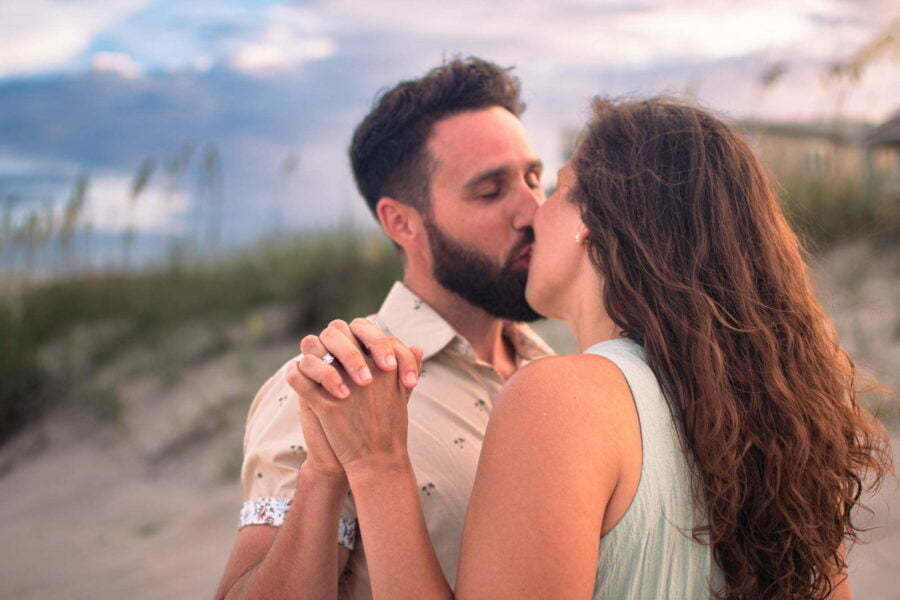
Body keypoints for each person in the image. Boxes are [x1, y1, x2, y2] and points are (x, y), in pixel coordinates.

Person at [289, 98, 893, 599]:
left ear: (592, 220)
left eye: (552, 188)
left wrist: (377, 465)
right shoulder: (783, 416)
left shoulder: (563, 397)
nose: (531, 214)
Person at [215, 57, 554, 600]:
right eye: (491, 191)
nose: (533, 211)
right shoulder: (334, 385)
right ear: (401, 222)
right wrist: (323, 476)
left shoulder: (556, 374)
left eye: (535, 179)